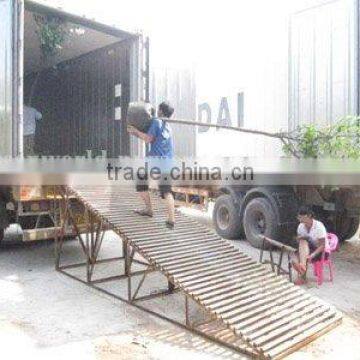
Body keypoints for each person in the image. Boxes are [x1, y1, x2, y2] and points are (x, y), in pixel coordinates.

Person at [127, 101, 175, 229]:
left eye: (158, 109)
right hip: (168, 162)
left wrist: (135, 131)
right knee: (167, 191)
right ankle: (171, 220)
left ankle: (149, 210)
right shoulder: (169, 127)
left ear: (160, 111)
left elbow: (148, 139)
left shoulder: (156, 122)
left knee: (140, 181)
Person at [292, 206, 330, 285]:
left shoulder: (319, 226)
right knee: (302, 243)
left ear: (309, 216)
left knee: (303, 248)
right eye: (298, 217)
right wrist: (297, 239)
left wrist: (313, 255)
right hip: (307, 249)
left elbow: (322, 245)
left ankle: (302, 275)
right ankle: (302, 268)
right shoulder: (301, 226)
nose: (299, 219)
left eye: (301, 217)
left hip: (321, 251)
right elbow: (300, 242)